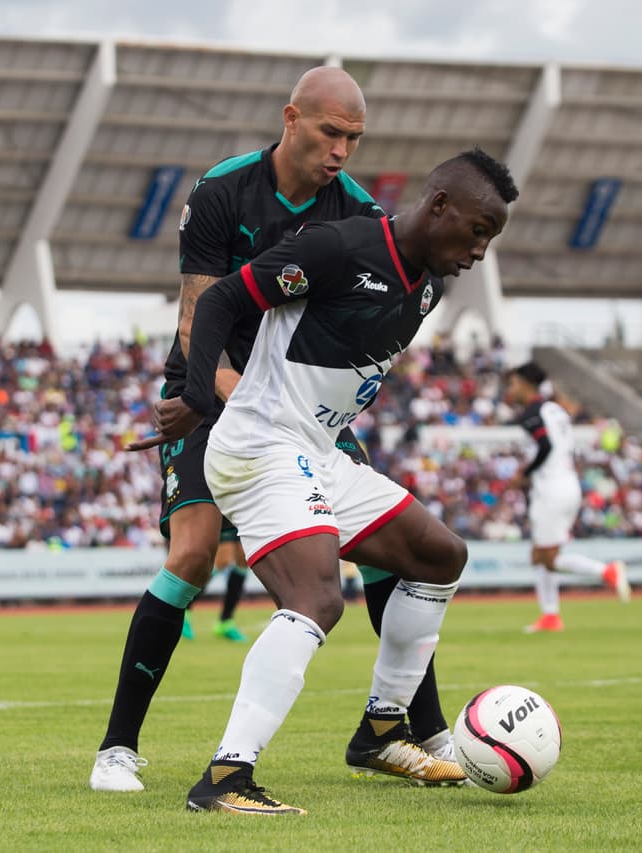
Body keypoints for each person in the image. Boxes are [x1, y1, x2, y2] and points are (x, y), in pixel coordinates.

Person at [90, 66, 454, 793]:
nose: (342, 151)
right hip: (207, 386)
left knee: (390, 549)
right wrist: (223, 398)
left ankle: (410, 727)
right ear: (291, 118)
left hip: (293, 405)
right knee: (192, 555)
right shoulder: (223, 189)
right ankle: (117, 747)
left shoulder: (352, 210)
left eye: (354, 138)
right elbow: (200, 316)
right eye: (330, 132)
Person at [129, 147, 520, 814]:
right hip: (259, 445)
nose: (480, 250)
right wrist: (199, 393)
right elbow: (224, 297)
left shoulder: (427, 285)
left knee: (440, 554)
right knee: (317, 598)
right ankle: (226, 777)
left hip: (314, 450)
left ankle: (382, 727)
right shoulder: (340, 248)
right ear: (439, 206)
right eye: (478, 230)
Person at [504, 364, 630, 633]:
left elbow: (545, 445)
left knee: (547, 557)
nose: (511, 390)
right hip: (567, 483)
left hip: (550, 488)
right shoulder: (556, 409)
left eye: (514, 384)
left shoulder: (531, 413)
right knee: (540, 554)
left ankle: (606, 572)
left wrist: (524, 473)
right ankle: (550, 616)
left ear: (526, 384)